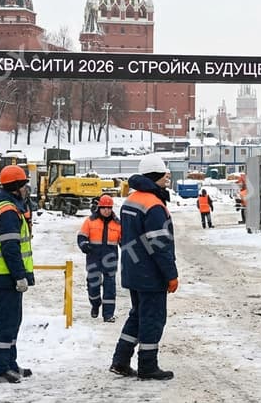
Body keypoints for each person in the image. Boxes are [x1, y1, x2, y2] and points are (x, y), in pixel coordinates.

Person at [110, 154, 178, 380]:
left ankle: (120, 361)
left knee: (138, 316)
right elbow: (160, 245)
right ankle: (148, 366)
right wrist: (171, 274)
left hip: (133, 269)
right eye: (164, 175)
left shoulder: (131, 200)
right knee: (152, 319)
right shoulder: (153, 205)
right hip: (150, 274)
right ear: (155, 176)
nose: (167, 179)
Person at [0, 165, 35, 384]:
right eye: (23, 184)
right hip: (6, 276)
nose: (26, 189)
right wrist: (19, 275)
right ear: (16, 187)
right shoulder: (7, 211)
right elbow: (10, 248)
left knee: (12, 321)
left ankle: (9, 364)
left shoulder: (6, 207)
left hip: (5, 276)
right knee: (5, 322)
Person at [78, 195, 121, 322]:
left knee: (110, 289)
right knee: (93, 286)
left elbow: (123, 241)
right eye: (104, 208)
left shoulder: (118, 224)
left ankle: (108, 315)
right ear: (99, 208)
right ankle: (95, 304)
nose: (107, 210)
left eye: (109, 208)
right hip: (93, 259)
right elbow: (81, 236)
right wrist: (84, 245)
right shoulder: (90, 221)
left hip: (110, 261)